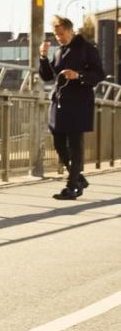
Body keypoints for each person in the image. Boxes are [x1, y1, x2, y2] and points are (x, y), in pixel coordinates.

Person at [39, 15, 105, 200]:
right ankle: (79, 179)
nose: (59, 38)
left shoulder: (87, 48)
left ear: (70, 30)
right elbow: (47, 76)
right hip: (59, 104)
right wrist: (43, 56)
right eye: (56, 35)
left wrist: (78, 75)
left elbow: (99, 74)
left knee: (76, 146)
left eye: (61, 34)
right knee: (59, 143)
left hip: (79, 103)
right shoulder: (60, 51)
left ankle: (71, 187)